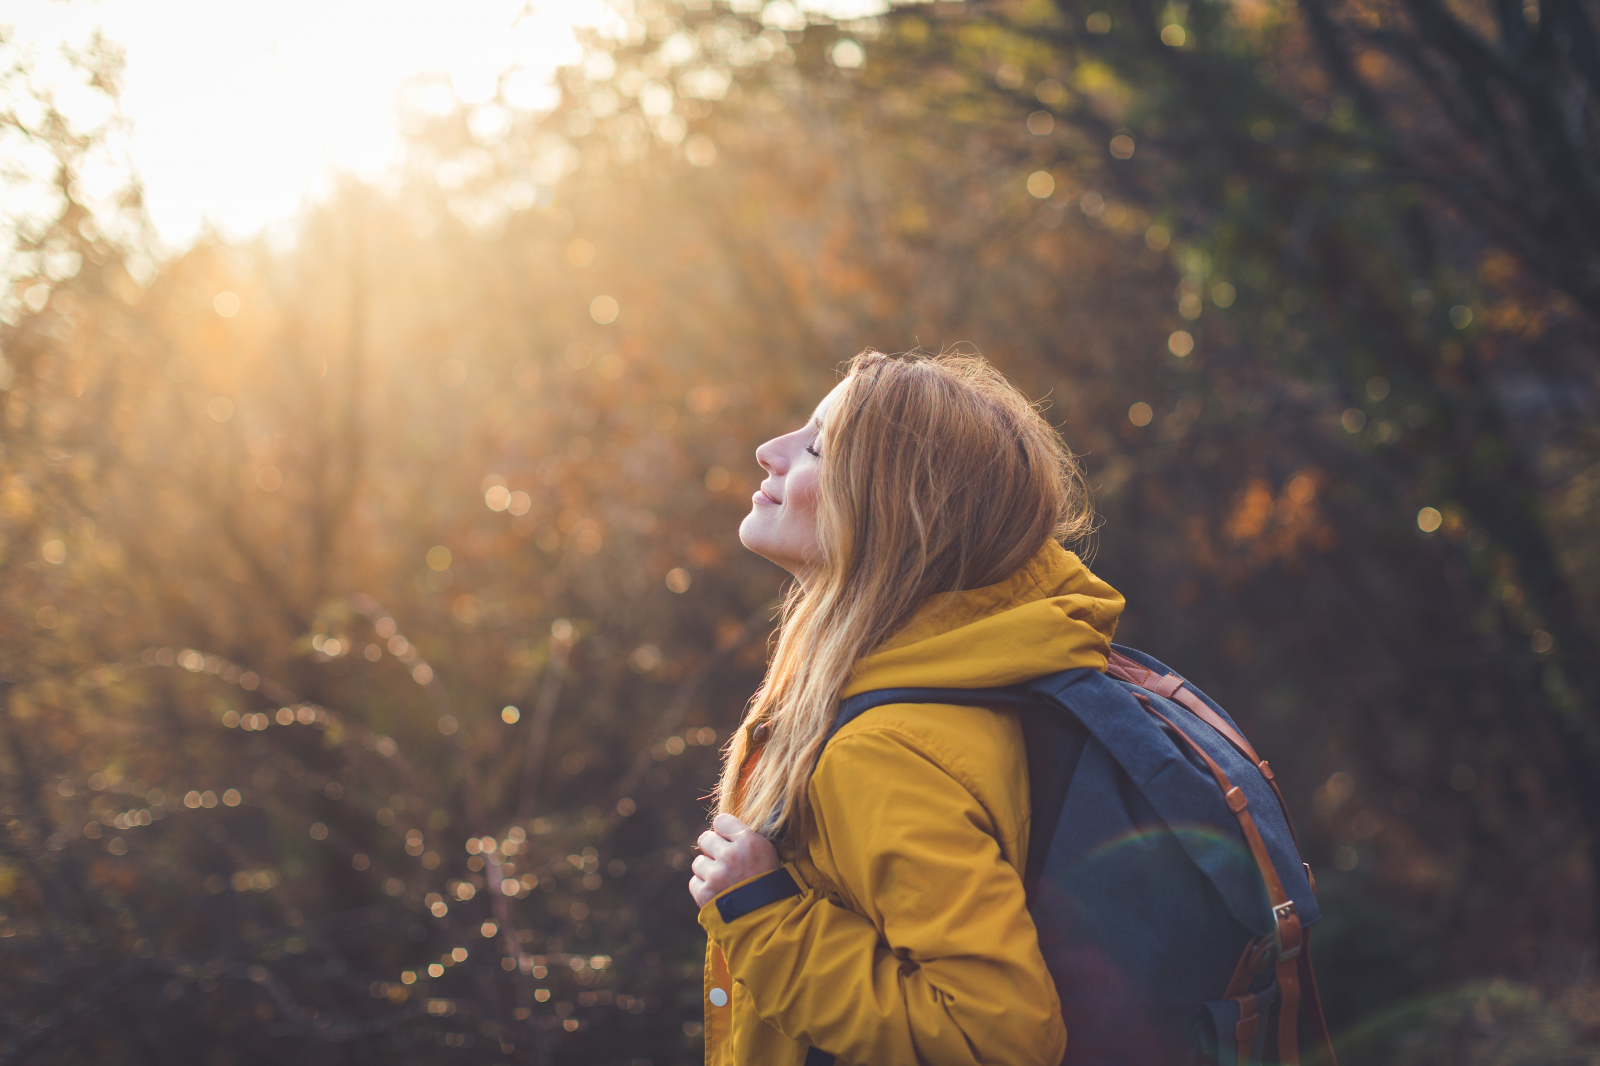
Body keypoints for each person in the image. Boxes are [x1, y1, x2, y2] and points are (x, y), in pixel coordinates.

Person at [688, 350, 1125, 1066]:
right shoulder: (976, 666)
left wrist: (763, 918)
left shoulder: (881, 750)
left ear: (889, 511)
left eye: (817, 447)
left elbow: (1000, 1039)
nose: (769, 452)